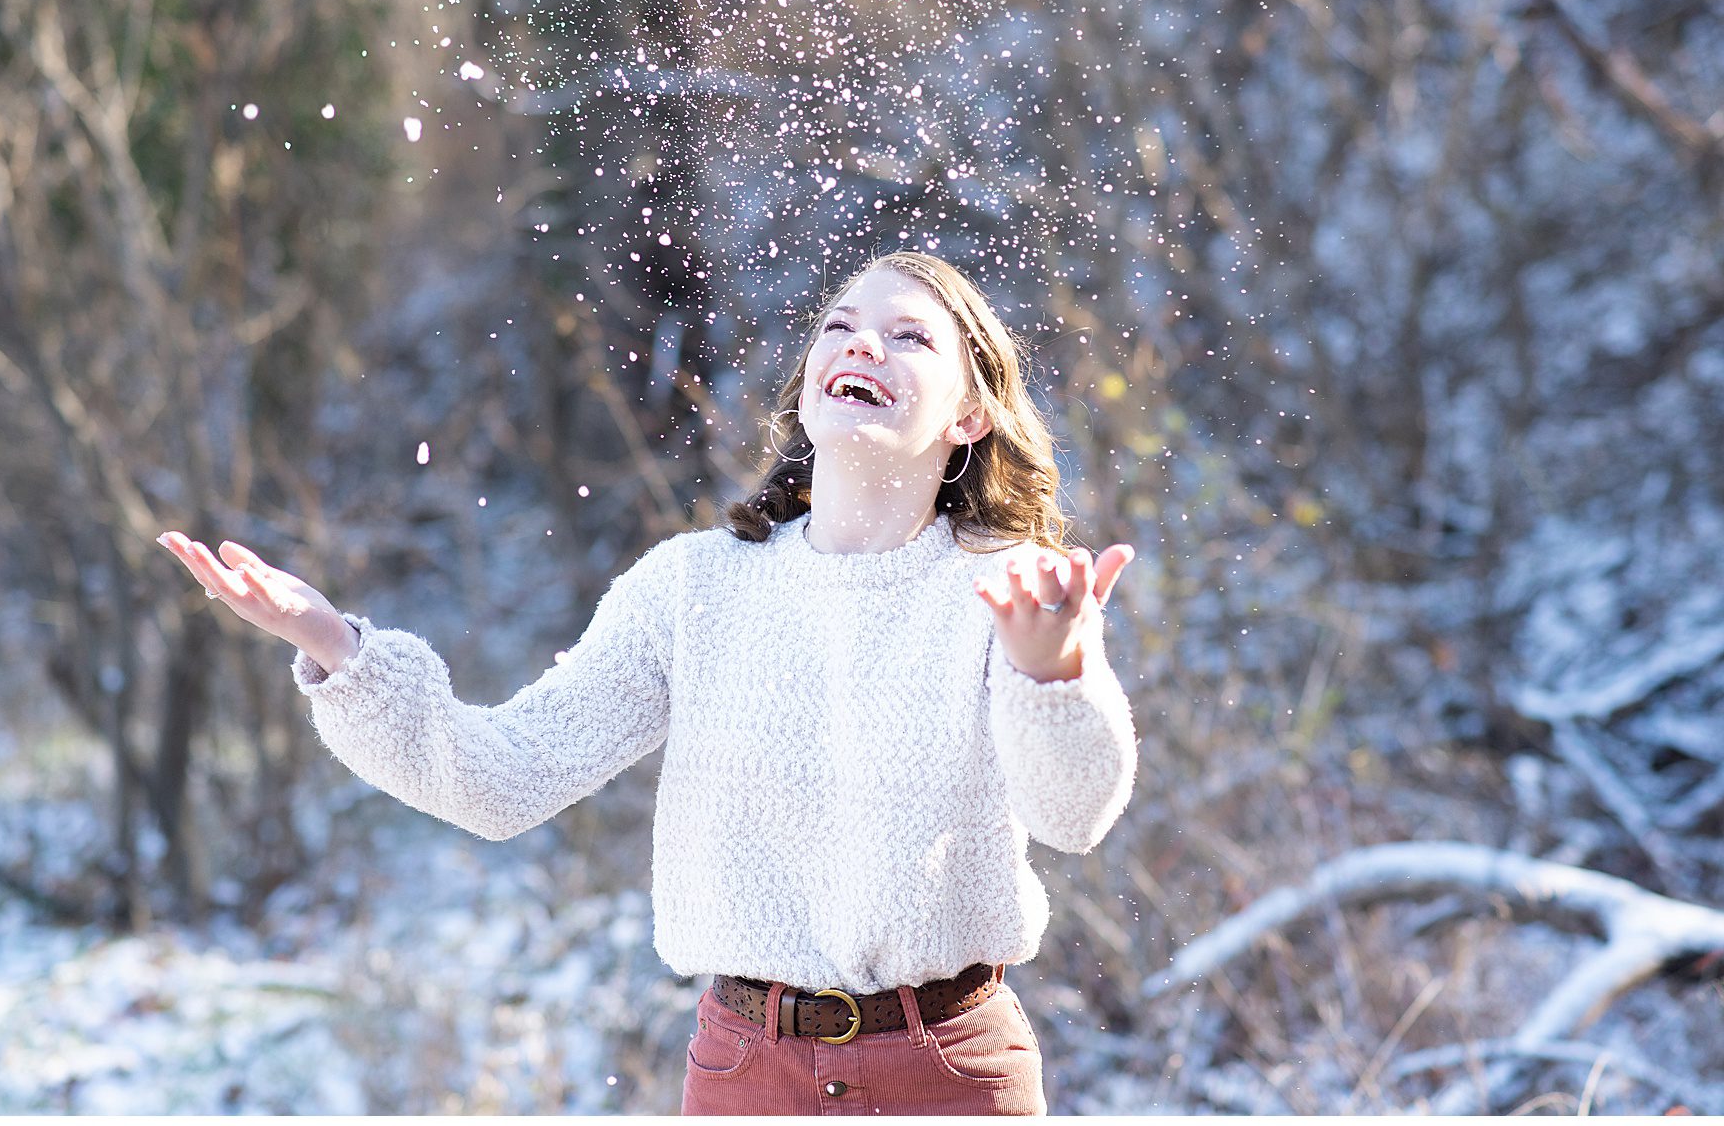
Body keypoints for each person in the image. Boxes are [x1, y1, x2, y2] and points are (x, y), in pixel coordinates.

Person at [159, 250, 1139, 1114]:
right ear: (807, 386)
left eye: (907, 336)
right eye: (839, 326)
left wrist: (1050, 667)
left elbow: (1074, 815)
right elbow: (503, 778)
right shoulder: (693, 588)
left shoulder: (1006, 592)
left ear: (968, 412)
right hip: (744, 1075)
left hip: (952, 1074)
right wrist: (336, 646)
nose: (862, 345)